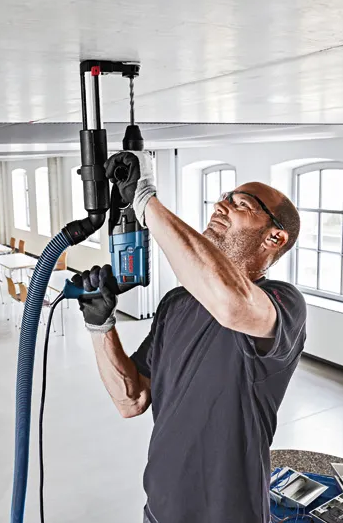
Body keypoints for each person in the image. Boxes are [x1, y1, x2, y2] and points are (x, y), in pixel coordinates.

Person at [71, 152, 306, 523]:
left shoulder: (283, 304)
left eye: (241, 203)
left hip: (229, 513)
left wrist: (146, 201)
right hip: (160, 508)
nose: (221, 205)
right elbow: (130, 399)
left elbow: (230, 304)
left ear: (274, 237)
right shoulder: (177, 302)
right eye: (224, 197)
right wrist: (101, 326)